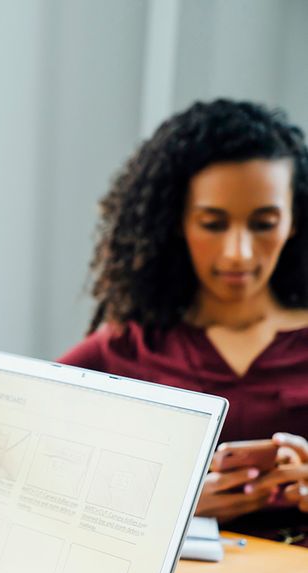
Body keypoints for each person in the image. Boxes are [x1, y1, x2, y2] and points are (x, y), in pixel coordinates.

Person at [58, 99, 308, 543]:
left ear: (293, 221)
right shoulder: (126, 346)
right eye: (213, 224)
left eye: (264, 223)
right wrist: (170, 504)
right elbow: (26, 457)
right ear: (176, 222)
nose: (238, 253)